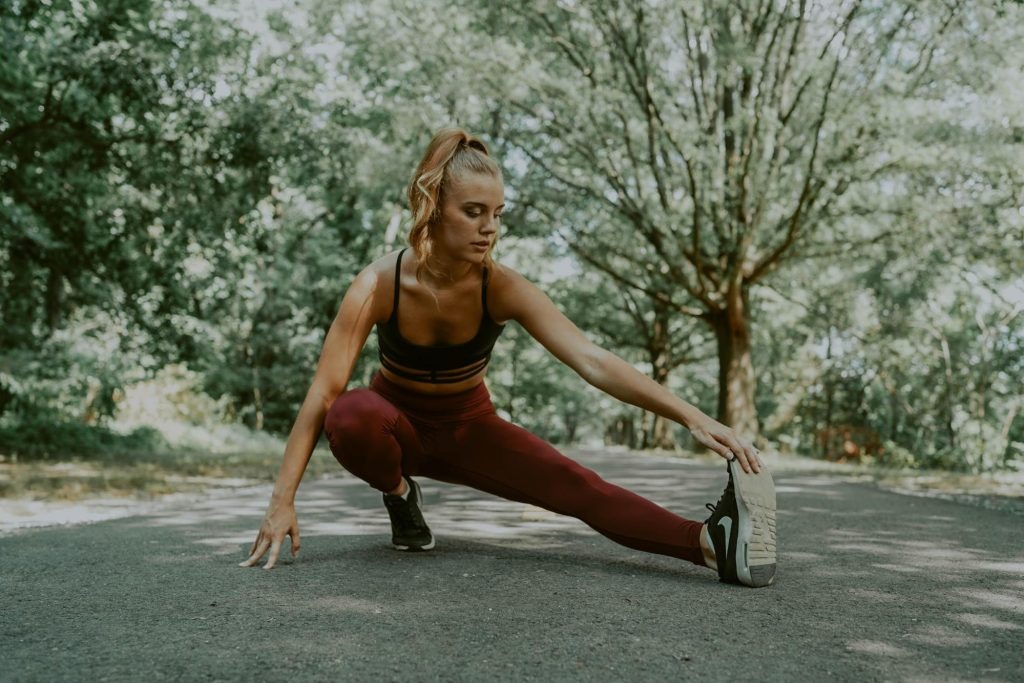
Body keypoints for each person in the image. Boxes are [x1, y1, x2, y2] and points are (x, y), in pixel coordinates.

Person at [239, 127, 777, 587]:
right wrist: (281, 501)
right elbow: (323, 393)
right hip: (393, 427)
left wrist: (694, 417)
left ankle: (714, 544)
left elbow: (591, 359)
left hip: (470, 428)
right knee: (351, 414)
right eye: (473, 212)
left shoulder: (501, 286)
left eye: (497, 213)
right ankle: (401, 495)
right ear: (432, 208)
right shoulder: (376, 285)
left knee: (578, 486)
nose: (489, 227)